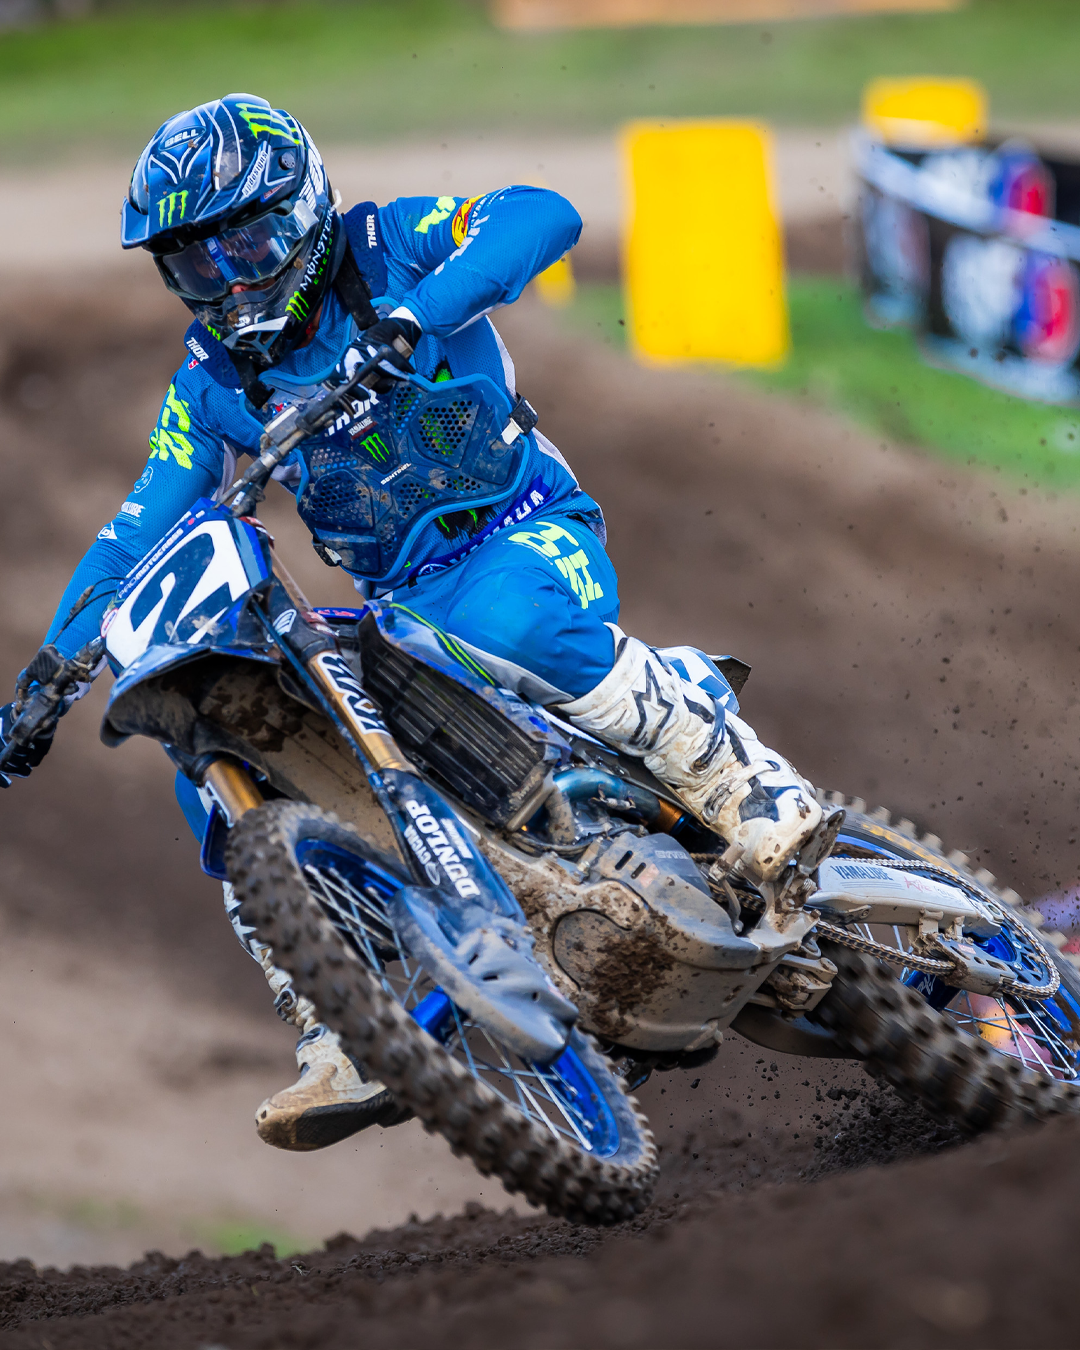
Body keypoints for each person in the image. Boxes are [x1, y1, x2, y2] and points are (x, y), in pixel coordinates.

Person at [0, 94, 829, 1152]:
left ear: (302, 212)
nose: (233, 282)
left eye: (247, 245)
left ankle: (748, 787)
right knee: (228, 748)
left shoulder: (383, 247)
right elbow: (133, 534)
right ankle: (338, 1016)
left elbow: (542, 214)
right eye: (197, 265)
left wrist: (414, 315)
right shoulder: (211, 382)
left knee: (505, 619)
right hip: (398, 610)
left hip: (520, 530)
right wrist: (46, 677)